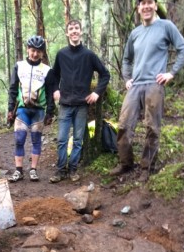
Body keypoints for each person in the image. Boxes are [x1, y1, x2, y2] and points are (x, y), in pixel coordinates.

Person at [109, 0, 184, 182]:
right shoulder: (135, 33)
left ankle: (147, 167)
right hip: (135, 85)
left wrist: (171, 73)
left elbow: (183, 48)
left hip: (155, 84)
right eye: (142, 3)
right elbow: (127, 58)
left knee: (152, 126)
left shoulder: (166, 26)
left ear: (154, 5)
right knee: (123, 124)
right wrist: (127, 78)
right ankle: (125, 164)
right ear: (138, 8)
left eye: (149, 3)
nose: (146, 6)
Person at [49, 19, 110, 183]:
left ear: (81, 32)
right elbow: (54, 75)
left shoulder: (89, 55)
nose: (74, 31)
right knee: (62, 140)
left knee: (77, 140)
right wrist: (55, 90)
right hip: (65, 105)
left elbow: (105, 74)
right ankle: (61, 170)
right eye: (71, 29)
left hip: (82, 105)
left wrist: (97, 92)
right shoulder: (61, 54)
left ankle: (73, 170)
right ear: (67, 33)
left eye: (76, 28)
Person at [7, 35, 55, 182]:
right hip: (22, 110)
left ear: (42, 53)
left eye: (38, 51)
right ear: (28, 50)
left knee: (36, 140)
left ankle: (33, 170)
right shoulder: (19, 66)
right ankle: (19, 171)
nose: (35, 54)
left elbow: (50, 92)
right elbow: (13, 88)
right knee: (19, 139)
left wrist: (50, 112)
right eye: (33, 50)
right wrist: (10, 109)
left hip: (38, 111)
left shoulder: (47, 70)